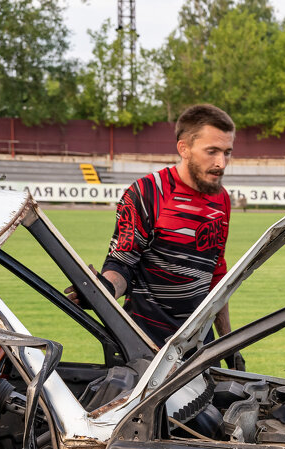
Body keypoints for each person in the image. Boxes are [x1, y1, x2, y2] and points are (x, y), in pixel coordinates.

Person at [68, 104, 241, 360]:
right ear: (184, 148)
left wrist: (227, 344)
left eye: (227, 152)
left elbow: (215, 275)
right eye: (212, 152)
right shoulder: (147, 192)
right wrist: (102, 290)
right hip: (146, 346)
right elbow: (122, 263)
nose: (221, 163)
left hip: (199, 347)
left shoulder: (221, 199)